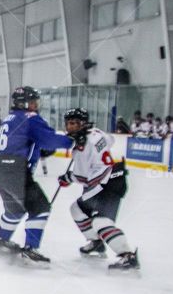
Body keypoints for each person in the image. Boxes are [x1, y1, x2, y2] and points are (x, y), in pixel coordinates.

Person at [0, 86, 73, 265]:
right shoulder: (30, 118)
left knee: (15, 209)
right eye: (33, 102)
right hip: (16, 173)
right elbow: (48, 139)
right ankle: (31, 249)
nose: (36, 105)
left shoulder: (9, 118)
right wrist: (72, 140)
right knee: (41, 207)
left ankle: (1, 241)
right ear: (24, 103)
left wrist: (37, 152)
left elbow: (20, 142)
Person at [58, 108, 139, 271]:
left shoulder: (82, 146)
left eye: (74, 123)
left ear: (82, 124)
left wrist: (67, 178)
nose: (70, 127)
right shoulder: (95, 131)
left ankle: (127, 256)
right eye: (68, 123)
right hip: (111, 178)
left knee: (101, 222)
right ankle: (96, 242)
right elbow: (110, 140)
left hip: (108, 184)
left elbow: (82, 176)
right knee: (77, 209)